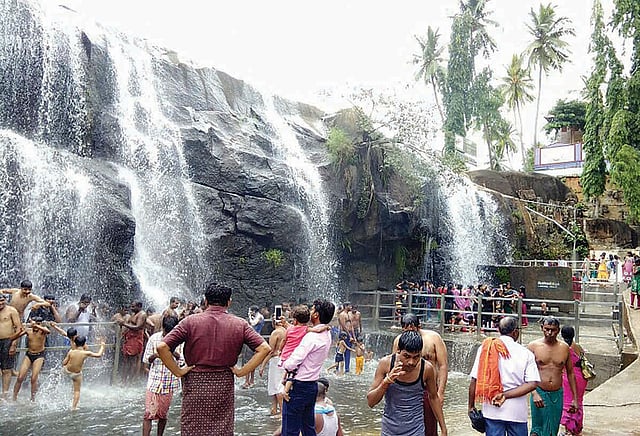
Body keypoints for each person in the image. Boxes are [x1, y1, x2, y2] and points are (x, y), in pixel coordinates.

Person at [157, 282, 270, 436]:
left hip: (196, 383)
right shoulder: (240, 324)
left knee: (193, 427)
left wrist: (178, 371)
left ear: (206, 300)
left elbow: (162, 347)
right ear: (229, 302)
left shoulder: (189, 322)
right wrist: (242, 372)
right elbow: (264, 348)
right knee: (222, 429)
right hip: (223, 384)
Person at [468, 316, 540, 436]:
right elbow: (532, 384)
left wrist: (471, 407)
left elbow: (474, 380)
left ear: (499, 330)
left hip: (492, 410)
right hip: (516, 412)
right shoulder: (526, 353)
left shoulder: (485, 349)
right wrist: (505, 395)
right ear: (515, 332)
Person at [367, 330, 447, 436]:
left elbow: (433, 398)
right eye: (407, 356)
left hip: (416, 430)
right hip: (389, 430)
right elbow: (371, 402)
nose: (411, 362)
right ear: (398, 351)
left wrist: (443, 429)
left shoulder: (426, 369)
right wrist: (386, 382)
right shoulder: (386, 364)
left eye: (416, 357)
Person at [281, 298, 335, 436]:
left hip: (298, 386)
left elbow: (293, 362)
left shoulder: (311, 337)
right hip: (312, 385)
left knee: (290, 430)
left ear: (316, 314)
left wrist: (284, 363)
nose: (310, 311)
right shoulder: (327, 334)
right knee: (308, 427)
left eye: (312, 309)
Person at [392, 313, 448, 436]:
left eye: (413, 330)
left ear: (419, 327)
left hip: (429, 388)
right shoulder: (398, 341)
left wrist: (440, 392)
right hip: (408, 388)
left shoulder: (434, 338)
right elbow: (394, 365)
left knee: (430, 426)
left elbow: (443, 366)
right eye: (406, 331)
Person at [527, 316, 578, 436]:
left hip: (557, 394)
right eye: (547, 329)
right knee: (537, 430)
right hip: (539, 392)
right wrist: (534, 393)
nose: (549, 333)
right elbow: (526, 372)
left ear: (558, 330)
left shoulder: (564, 348)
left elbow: (570, 373)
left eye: (553, 330)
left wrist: (575, 399)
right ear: (542, 328)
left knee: (552, 430)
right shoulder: (533, 346)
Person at [142, 316, 184, 436]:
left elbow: (182, 361)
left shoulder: (180, 342)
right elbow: (146, 360)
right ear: (162, 328)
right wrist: (156, 355)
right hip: (154, 381)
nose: (167, 336)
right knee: (148, 414)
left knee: (162, 415)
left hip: (168, 383)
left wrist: (172, 352)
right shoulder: (154, 339)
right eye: (166, 332)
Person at [62, 335, 105, 410]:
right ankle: (74, 407)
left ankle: (58, 380)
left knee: (64, 368)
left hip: (67, 371)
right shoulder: (86, 353)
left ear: (75, 344)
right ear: (84, 344)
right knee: (77, 391)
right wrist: (102, 346)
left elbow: (64, 362)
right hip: (76, 374)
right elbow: (99, 355)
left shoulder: (71, 352)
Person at [12, 317, 50, 401]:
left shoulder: (43, 331)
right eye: (35, 323)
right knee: (20, 377)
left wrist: (36, 325)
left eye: (39, 323)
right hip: (29, 355)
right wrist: (18, 331)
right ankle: (14, 397)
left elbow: (48, 331)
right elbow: (15, 337)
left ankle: (33, 399)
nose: (36, 326)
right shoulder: (28, 330)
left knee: (33, 378)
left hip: (39, 356)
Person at [560, 326, 588, 436]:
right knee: (578, 401)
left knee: (567, 402)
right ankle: (577, 428)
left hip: (569, 377)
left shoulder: (564, 348)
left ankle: (569, 429)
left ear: (562, 335)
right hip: (581, 377)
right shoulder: (578, 347)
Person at [259, 317, 287, 416]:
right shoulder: (286, 331)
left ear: (273, 323)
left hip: (276, 360)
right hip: (284, 359)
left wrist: (262, 365)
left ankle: (282, 412)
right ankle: (274, 408)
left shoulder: (275, 333)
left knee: (277, 386)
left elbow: (270, 351)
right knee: (275, 385)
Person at [116, 300, 147, 382]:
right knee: (126, 360)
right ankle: (124, 380)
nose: (131, 308)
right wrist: (122, 334)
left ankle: (131, 381)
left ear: (139, 307)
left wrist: (124, 324)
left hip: (136, 339)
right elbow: (129, 324)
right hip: (129, 339)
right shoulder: (133, 314)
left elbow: (137, 327)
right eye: (131, 306)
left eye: (133, 306)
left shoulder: (142, 314)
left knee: (133, 361)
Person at [0, 294, 24, 399]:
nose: (1, 303)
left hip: (7, 341)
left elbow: (19, 328)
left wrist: (13, 344)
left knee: (6, 369)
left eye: (2, 300)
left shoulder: (11, 311)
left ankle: (5, 394)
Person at [242, 305, 265, 388]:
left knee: (249, 361)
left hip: (253, 341)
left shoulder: (259, 317)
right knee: (252, 361)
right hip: (256, 340)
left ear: (254, 311)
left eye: (251, 311)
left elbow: (253, 323)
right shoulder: (258, 317)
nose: (250, 312)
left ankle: (247, 381)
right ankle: (250, 381)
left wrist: (249, 317)